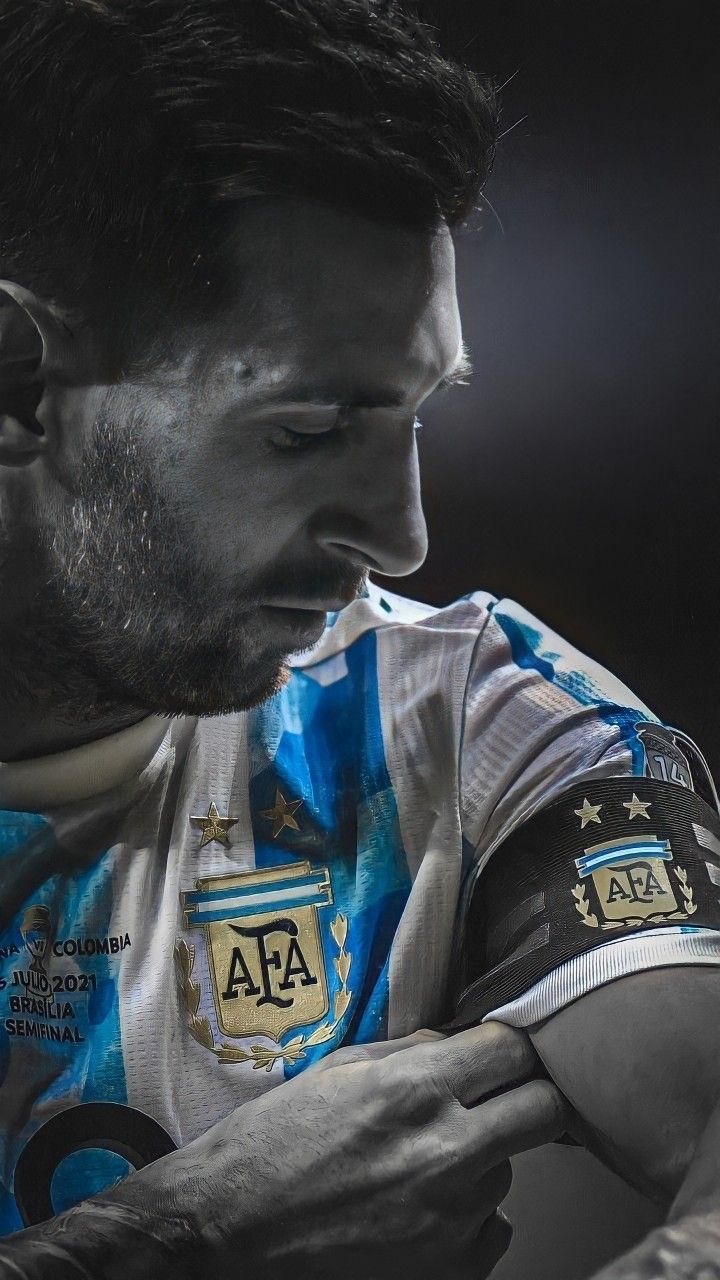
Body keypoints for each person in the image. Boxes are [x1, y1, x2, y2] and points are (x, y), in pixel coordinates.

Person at [0, 3, 719, 1278]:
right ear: (18, 377)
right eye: (311, 429)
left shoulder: (470, 717)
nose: (403, 537)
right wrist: (183, 1236)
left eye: (417, 415)